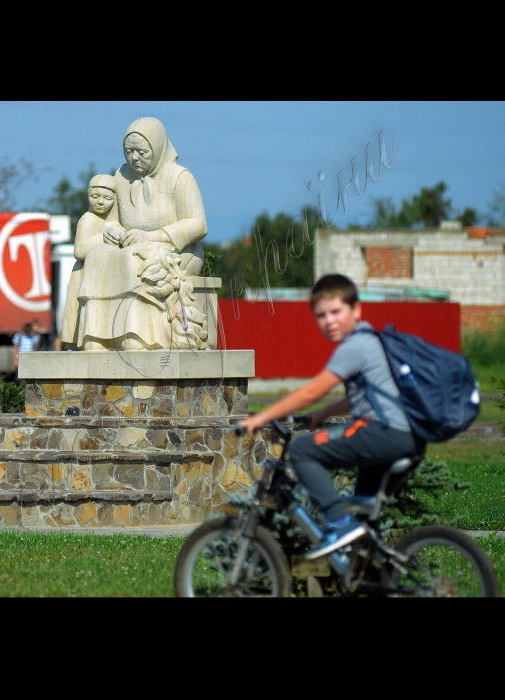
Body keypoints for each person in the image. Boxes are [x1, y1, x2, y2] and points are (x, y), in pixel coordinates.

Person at [238, 274, 426, 560]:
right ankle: (369, 579)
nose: (329, 321)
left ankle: (338, 524)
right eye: (321, 315)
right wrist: (322, 415)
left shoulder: (355, 346)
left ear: (356, 310)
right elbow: (359, 397)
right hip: (406, 437)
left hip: (384, 432)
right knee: (364, 522)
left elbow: (314, 390)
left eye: (336, 311)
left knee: (301, 450)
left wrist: (261, 417)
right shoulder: (371, 339)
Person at [73, 117, 209, 350]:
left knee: (133, 260)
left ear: (157, 148)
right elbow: (113, 219)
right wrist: (112, 232)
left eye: (141, 152)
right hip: (129, 245)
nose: (133, 158)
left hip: (177, 250)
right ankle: (95, 336)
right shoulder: (121, 176)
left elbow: (198, 225)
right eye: (128, 151)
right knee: (97, 256)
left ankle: (137, 336)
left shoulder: (179, 177)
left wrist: (150, 236)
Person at [61, 174, 123, 348]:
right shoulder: (88, 220)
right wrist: (103, 236)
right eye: (95, 197)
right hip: (85, 272)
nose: (100, 202)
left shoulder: (109, 221)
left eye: (107, 198)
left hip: (100, 273)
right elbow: (79, 250)